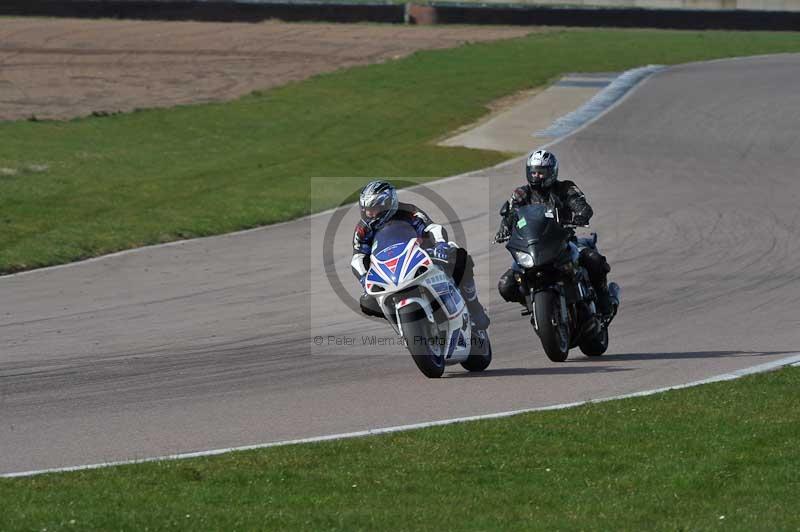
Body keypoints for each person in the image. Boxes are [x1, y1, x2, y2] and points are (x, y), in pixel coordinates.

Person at [351, 180, 490, 329]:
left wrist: (440, 245)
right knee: (367, 302)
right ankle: (402, 324)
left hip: (420, 256)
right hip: (388, 269)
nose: (370, 214)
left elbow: (432, 228)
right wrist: (363, 278)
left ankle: (474, 307)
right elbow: (358, 257)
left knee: (459, 256)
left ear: (388, 204)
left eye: (374, 208)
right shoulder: (363, 229)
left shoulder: (409, 212)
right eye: (366, 209)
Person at [494, 149, 615, 317]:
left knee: (593, 260)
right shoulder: (521, 194)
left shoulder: (565, 188)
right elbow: (510, 214)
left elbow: (581, 205)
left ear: (552, 172)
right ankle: (534, 304)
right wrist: (504, 229)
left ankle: (604, 300)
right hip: (533, 247)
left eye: (541, 172)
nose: (537, 176)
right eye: (533, 172)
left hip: (564, 242)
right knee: (506, 285)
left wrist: (580, 215)